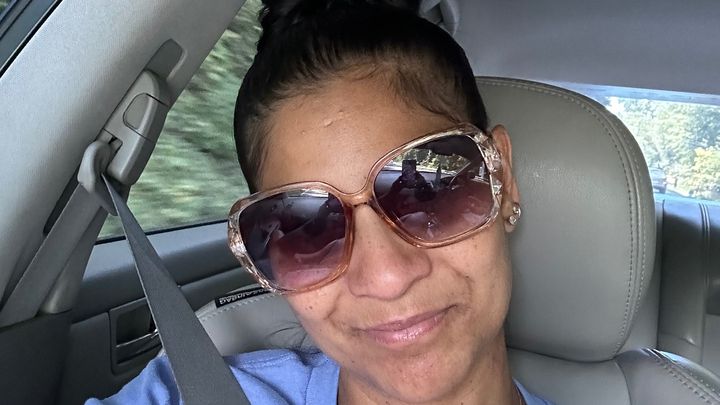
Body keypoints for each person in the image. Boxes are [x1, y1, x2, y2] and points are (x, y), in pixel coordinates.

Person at [88, 0, 553, 404]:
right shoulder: (192, 392)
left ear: (503, 177)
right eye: (305, 227)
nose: (386, 279)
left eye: (431, 192)